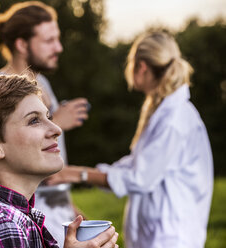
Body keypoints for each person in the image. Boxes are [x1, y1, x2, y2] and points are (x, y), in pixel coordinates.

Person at [48, 31, 214, 248]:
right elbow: (137, 164)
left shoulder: (174, 119)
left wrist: (78, 174)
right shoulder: (165, 112)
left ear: (142, 66)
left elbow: (139, 177)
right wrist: (79, 173)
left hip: (171, 238)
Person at [0, 72, 118, 247]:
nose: (57, 129)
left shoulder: (1, 211)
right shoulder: (0, 224)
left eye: (48, 117)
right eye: (34, 120)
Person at [0, 1, 89, 245]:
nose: (59, 47)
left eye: (58, 39)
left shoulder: (44, 85)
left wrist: (73, 211)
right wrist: (57, 120)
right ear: (22, 44)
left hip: (59, 218)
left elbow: (53, 168)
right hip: (26, 225)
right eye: (49, 41)